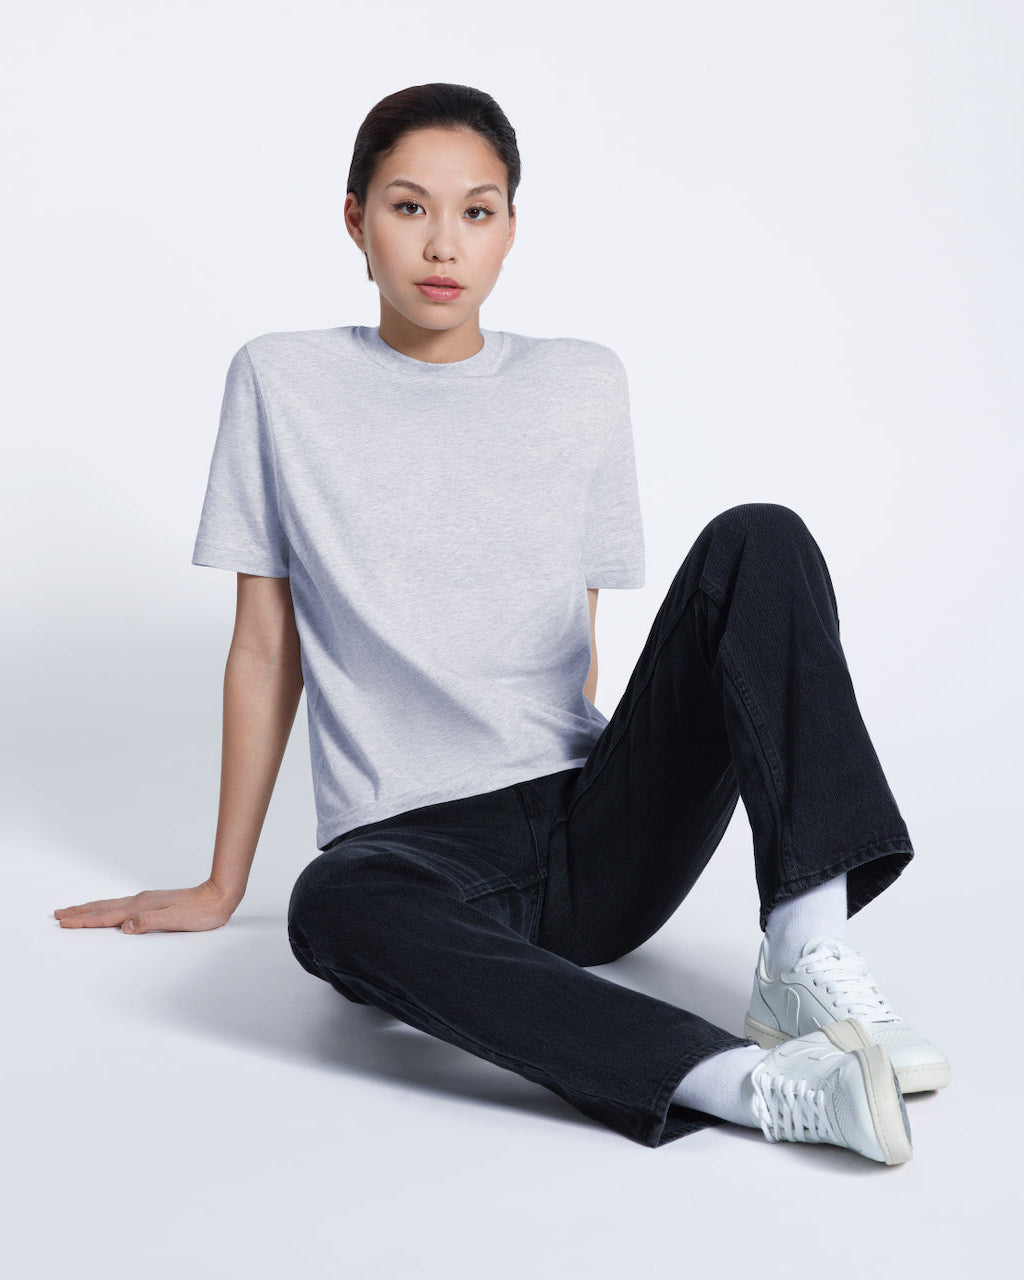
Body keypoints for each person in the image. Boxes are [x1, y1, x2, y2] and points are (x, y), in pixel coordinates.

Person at [53, 82, 949, 1164]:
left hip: (593, 821)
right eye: (409, 207)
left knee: (759, 537)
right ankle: (745, 1085)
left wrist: (603, 788)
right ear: (356, 220)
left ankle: (803, 951)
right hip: (412, 844)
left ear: (510, 229)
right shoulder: (279, 380)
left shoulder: (580, 381)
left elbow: (577, 639)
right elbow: (264, 646)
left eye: (476, 211)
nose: (444, 244)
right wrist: (221, 882)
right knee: (328, 905)